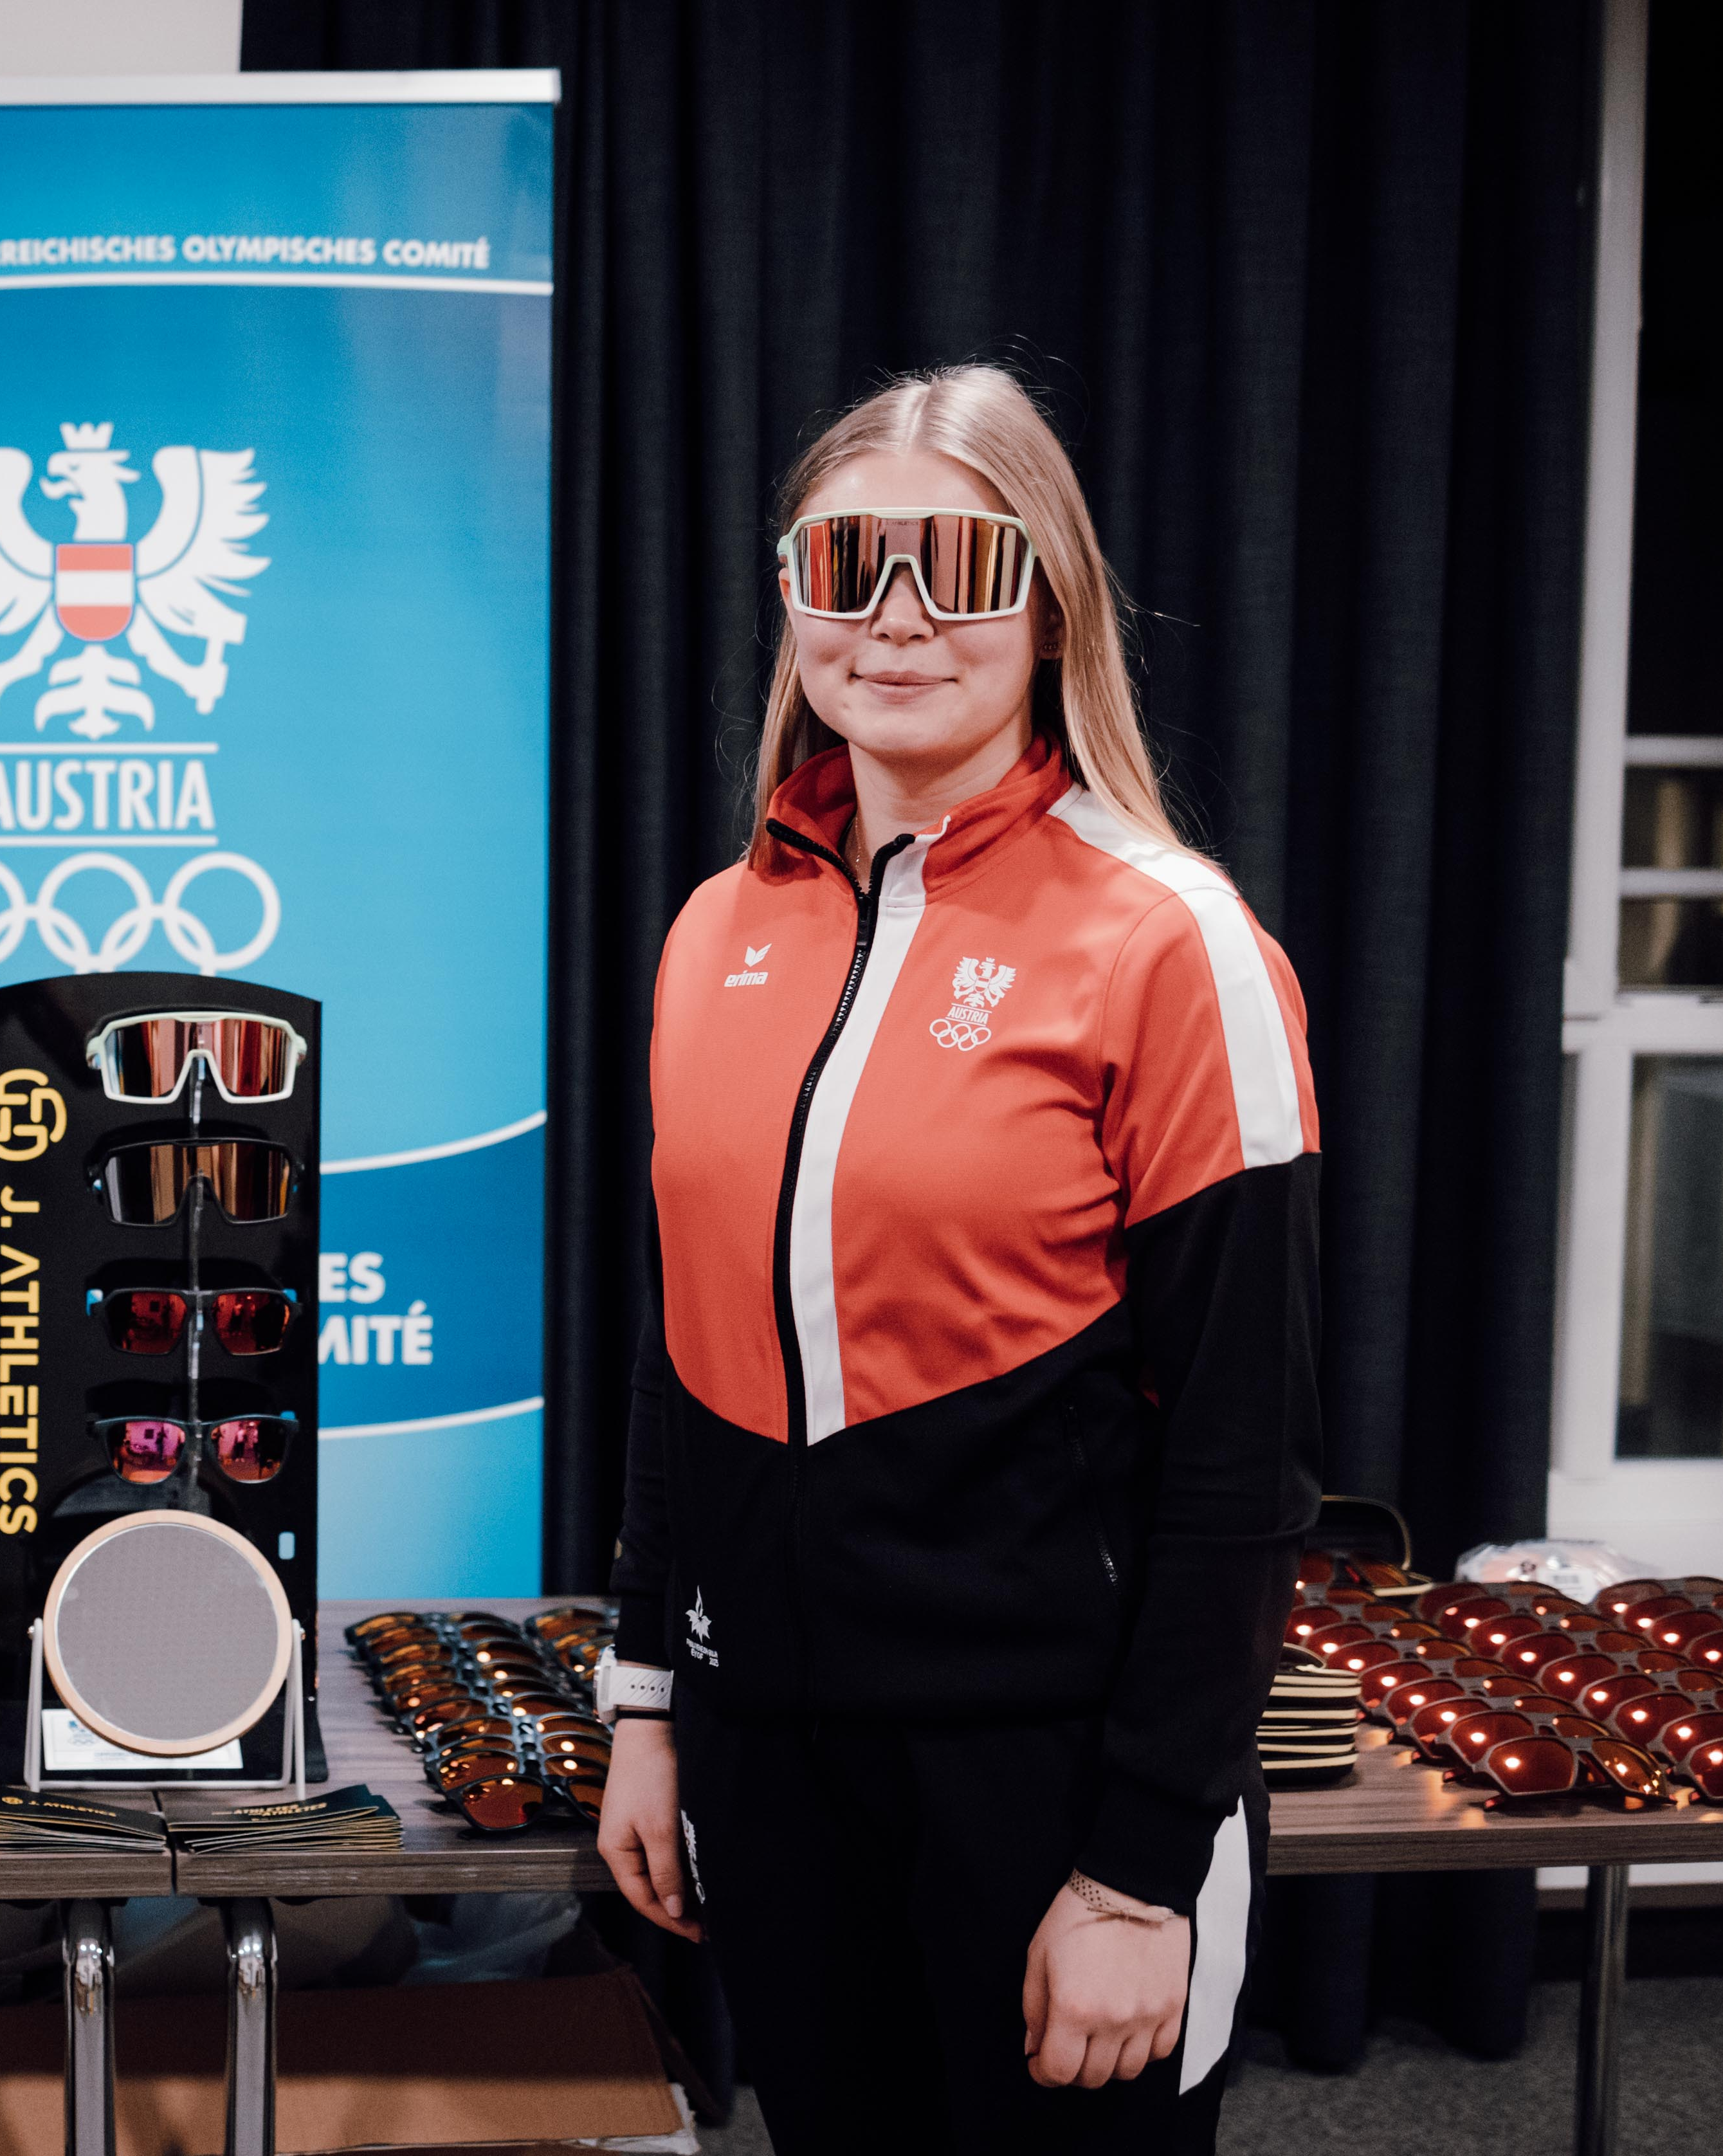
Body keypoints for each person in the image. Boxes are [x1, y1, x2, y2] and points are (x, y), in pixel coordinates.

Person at [592, 364, 1318, 2151]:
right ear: (792, 598)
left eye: (962, 565)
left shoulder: (1171, 941)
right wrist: (648, 1706)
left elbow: (1242, 1459)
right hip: (770, 1764)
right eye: (851, 564)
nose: (899, 617)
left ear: (1050, 603)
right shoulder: (717, 931)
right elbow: (681, 1347)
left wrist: (1141, 1871)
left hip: (1049, 1783)